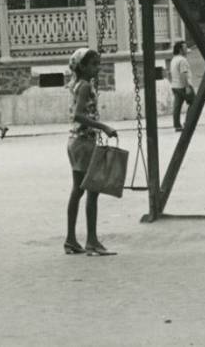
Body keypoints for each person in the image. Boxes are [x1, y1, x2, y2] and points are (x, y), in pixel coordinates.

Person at [64, 47, 119, 257]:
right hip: (85, 142)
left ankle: (71, 239)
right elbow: (78, 115)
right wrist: (103, 126)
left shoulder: (76, 84)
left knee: (77, 191)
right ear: (83, 66)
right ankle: (92, 241)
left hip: (75, 141)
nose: (98, 68)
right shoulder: (85, 85)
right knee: (92, 191)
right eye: (94, 64)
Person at [169, 42, 194, 132]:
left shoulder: (174, 59)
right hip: (183, 85)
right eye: (185, 48)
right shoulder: (182, 60)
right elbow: (183, 74)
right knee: (193, 103)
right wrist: (187, 86)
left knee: (177, 106)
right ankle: (188, 123)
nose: (186, 49)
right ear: (180, 49)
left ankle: (177, 125)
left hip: (175, 85)